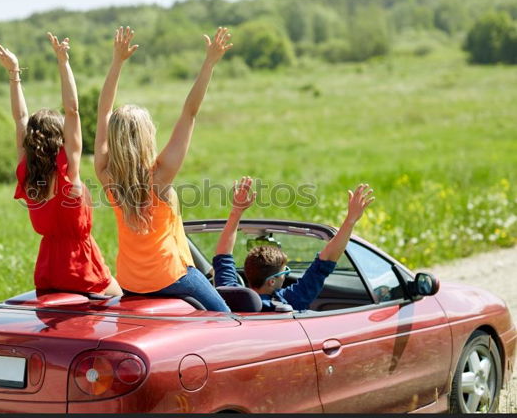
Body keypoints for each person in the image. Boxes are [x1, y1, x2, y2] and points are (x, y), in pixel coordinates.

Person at [93, 26, 233, 312]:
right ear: (147, 137)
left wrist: (117, 62)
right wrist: (209, 63)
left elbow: (103, 112)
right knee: (228, 319)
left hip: (130, 282)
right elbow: (189, 113)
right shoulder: (160, 177)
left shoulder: (107, 176)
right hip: (171, 276)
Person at [0, 34, 122, 296]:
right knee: (126, 306)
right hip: (84, 270)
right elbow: (72, 110)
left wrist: (14, 73)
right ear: (60, 138)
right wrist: (63, 62)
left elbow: (20, 118)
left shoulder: (28, 175)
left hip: (48, 272)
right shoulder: (68, 170)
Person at [214, 177, 374, 311]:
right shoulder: (287, 302)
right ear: (271, 281)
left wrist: (236, 211)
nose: (285, 276)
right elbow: (326, 260)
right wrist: (351, 219)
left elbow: (223, 255)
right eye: (284, 272)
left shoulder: (227, 295)